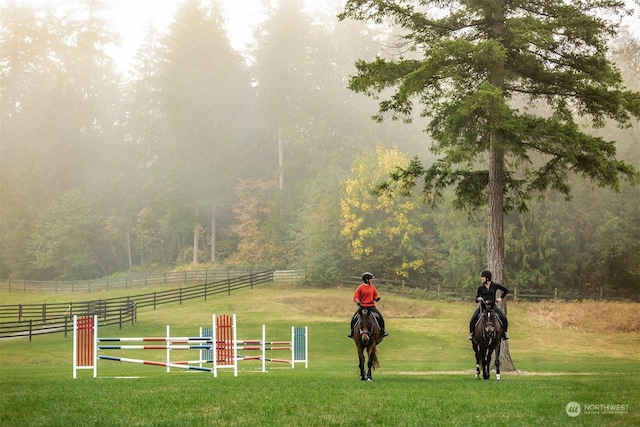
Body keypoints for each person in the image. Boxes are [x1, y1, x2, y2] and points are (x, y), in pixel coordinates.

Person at [468, 270, 510, 340]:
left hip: (492, 306)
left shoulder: (495, 285)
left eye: (482, 277)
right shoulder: (480, 288)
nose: (481, 278)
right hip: (483, 306)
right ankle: (472, 334)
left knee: (503, 317)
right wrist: (479, 298)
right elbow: (476, 299)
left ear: (487, 278)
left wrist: (501, 298)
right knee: (473, 318)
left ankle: (504, 333)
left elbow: (506, 290)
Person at [347, 272, 388, 338]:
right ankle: (352, 332)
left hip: (371, 306)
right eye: (370, 279)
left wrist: (377, 299)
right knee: (354, 318)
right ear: (366, 280)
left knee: (380, 317)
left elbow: (375, 296)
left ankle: (383, 331)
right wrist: (358, 301)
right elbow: (356, 297)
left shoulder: (372, 287)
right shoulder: (360, 287)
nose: (371, 280)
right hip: (362, 306)